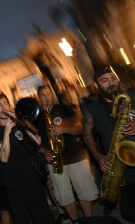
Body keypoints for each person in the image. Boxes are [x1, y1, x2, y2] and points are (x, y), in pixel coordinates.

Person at [0, 93, 56, 224]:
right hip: (13, 185)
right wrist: (7, 132)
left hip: (32, 179)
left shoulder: (20, 124)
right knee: (22, 219)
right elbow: (3, 157)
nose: (4, 107)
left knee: (43, 216)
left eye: (6, 103)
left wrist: (21, 121)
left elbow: (37, 140)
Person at [35, 85, 98, 224]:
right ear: (39, 98)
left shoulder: (65, 109)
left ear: (52, 95)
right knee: (64, 196)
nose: (46, 97)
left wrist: (64, 129)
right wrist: (45, 152)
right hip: (55, 161)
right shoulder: (37, 118)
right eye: (42, 95)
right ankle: (75, 221)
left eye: (48, 94)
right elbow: (35, 142)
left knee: (85, 192)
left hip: (76, 156)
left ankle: (88, 221)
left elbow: (80, 129)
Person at [83, 66, 135, 222]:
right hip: (122, 167)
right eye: (104, 80)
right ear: (96, 84)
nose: (110, 83)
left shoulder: (131, 95)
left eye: (113, 78)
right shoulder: (92, 108)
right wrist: (97, 155)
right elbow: (87, 134)